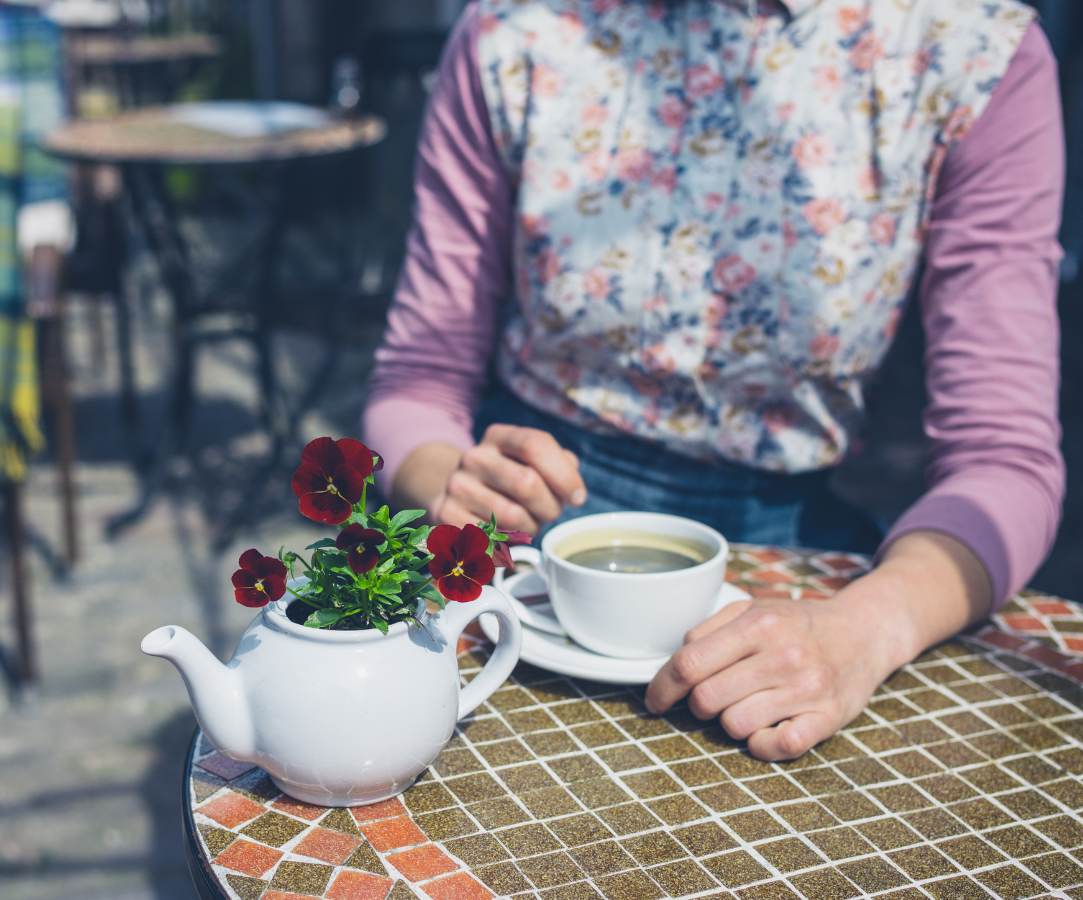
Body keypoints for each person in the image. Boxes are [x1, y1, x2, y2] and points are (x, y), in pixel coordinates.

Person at [363, 0, 1065, 760]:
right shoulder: (515, 30)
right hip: (529, 533)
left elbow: (1003, 459)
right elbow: (421, 377)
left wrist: (869, 628)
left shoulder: (973, 48)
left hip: (790, 555)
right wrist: (447, 483)